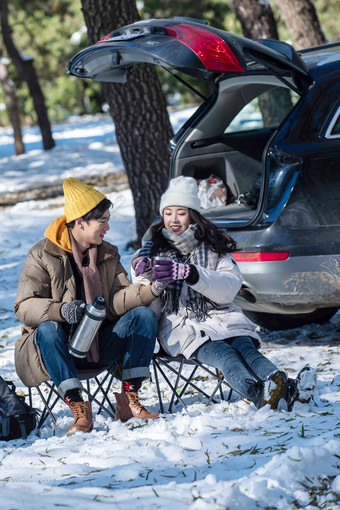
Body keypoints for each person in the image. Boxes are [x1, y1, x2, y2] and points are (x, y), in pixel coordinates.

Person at [131, 176, 316, 412]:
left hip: (222, 317)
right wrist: (147, 274)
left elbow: (230, 286)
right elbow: (142, 292)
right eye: (168, 213)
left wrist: (191, 273)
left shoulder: (212, 247)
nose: (173, 220)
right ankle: (262, 395)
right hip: (181, 326)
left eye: (181, 212)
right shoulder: (152, 250)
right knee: (227, 356)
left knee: (246, 350)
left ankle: (287, 388)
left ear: (193, 215)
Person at [14, 177, 161, 434]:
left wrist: (150, 291)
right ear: (80, 222)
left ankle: (130, 399)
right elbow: (24, 307)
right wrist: (60, 310)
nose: (107, 227)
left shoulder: (107, 253)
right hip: (56, 350)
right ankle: (79, 407)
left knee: (143, 316)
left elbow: (117, 301)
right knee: (48, 329)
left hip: (99, 342)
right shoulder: (42, 254)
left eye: (107, 219)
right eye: (102, 220)